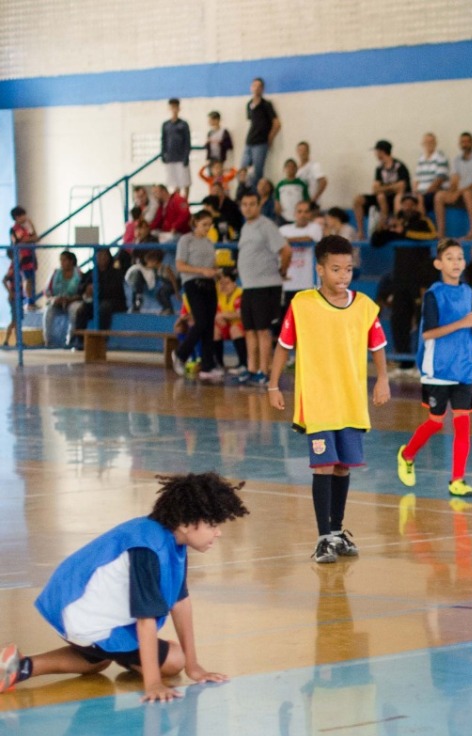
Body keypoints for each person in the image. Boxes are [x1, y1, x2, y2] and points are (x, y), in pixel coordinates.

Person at [1, 473, 248, 702]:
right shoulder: (148, 549)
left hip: (72, 607)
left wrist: (194, 666)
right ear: (185, 523)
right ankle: (128, 659)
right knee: (174, 660)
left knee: (97, 663)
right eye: (212, 525)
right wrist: (153, 683)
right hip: (83, 615)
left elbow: (180, 602)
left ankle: (21, 667)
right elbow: (145, 619)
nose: (218, 533)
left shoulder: (169, 538)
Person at [268, 235, 390, 564]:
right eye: (335, 269)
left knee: (341, 467)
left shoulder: (364, 305)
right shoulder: (303, 304)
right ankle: (323, 537)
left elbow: (377, 346)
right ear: (320, 270)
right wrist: (273, 384)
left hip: (351, 401)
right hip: (318, 401)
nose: (343, 275)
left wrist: (383, 379)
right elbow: (283, 346)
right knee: (323, 466)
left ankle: (337, 532)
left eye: (348, 269)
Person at [397, 239, 472, 497]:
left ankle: (457, 480)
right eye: (450, 257)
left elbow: (464, 323)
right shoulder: (433, 294)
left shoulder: (467, 291)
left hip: (462, 367)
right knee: (436, 422)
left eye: (460, 257)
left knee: (463, 423)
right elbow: (428, 334)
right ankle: (407, 455)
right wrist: (463, 323)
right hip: (437, 368)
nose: (456, 262)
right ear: (439, 263)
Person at [371, 194, 438, 360]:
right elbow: (376, 242)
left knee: (424, 320)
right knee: (399, 319)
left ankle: (426, 361)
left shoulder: (423, 222)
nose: (408, 207)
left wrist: (405, 232)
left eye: (411, 204)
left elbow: (432, 235)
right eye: (404, 204)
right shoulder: (396, 223)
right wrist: (381, 228)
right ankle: (404, 362)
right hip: (400, 280)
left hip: (421, 279)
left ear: (416, 206)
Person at [237, 193, 291, 385]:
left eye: (252, 204)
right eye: (244, 204)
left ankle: (265, 371)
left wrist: (282, 271)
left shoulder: (266, 226)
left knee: (263, 330)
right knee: (250, 330)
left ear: (259, 206)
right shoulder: (245, 227)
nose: (248, 208)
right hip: (249, 286)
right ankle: (252, 369)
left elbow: (286, 251)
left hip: (266, 286)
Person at [172, 211, 223, 381]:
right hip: (194, 284)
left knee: (209, 325)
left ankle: (207, 365)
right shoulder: (186, 240)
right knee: (200, 321)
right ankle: (181, 354)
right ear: (195, 223)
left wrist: (217, 273)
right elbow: (180, 265)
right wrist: (201, 271)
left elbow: (212, 265)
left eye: (210, 225)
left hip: (210, 285)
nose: (207, 228)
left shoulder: (209, 243)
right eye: (204, 225)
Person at [435, 132, 472, 239]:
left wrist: (459, 192)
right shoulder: (456, 159)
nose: (465, 144)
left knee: (467, 193)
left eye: (467, 141)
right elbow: (455, 180)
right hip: (461, 193)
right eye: (462, 142)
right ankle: (440, 233)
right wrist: (451, 192)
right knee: (439, 195)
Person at [353, 140, 410, 238]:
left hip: (397, 197)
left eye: (377, 151)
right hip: (384, 196)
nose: (375, 154)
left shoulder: (399, 166)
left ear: (381, 152)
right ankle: (361, 231)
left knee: (391, 197)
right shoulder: (379, 168)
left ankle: (394, 226)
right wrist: (391, 187)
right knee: (358, 199)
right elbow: (375, 189)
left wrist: (383, 188)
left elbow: (401, 187)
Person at [73, 248, 127, 334]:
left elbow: (115, 291)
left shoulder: (116, 273)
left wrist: (97, 290)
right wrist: (86, 289)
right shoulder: (91, 272)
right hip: (94, 302)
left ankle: (101, 338)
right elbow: (80, 288)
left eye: (104, 255)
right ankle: (80, 341)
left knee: (104, 308)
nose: (102, 258)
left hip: (113, 302)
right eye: (99, 255)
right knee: (82, 310)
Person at [241, 78, 280, 183]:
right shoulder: (249, 104)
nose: (256, 89)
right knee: (243, 170)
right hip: (250, 140)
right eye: (254, 86)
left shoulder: (266, 105)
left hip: (261, 142)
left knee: (257, 172)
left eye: (259, 86)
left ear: (262, 89)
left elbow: (276, 123)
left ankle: (257, 195)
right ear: (251, 88)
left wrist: (270, 138)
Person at [42, 251, 83, 348]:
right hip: (58, 302)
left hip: (73, 300)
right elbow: (47, 291)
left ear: (71, 261)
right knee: (49, 312)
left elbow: (82, 292)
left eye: (64, 260)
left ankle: (71, 339)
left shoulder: (79, 274)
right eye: (61, 260)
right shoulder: (56, 273)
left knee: (74, 310)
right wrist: (53, 299)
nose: (62, 262)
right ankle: (48, 340)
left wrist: (69, 299)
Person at [214, 268, 247, 373]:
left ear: (234, 283)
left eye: (227, 283)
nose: (224, 286)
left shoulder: (240, 293)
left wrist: (223, 315)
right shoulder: (220, 295)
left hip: (243, 326)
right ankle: (219, 364)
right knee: (215, 330)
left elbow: (240, 315)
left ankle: (243, 364)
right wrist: (221, 317)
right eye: (221, 283)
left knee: (235, 329)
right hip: (228, 324)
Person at [161, 99, 191, 199]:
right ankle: (177, 201)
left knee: (185, 181)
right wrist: (163, 154)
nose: (174, 109)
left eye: (176, 107)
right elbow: (163, 140)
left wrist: (186, 156)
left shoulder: (183, 124)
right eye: (172, 107)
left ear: (179, 108)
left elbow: (187, 141)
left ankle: (185, 201)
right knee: (174, 182)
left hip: (181, 157)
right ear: (169, 108)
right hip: (170, 157)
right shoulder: (166, 125)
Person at [414, 132, 451, 214]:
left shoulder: (441, 158)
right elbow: (416, 180)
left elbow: (439, 180)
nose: (429, 144)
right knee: (406, 200)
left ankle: (423, 224)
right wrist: (415, 192)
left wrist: (423, 193)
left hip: (434, 192)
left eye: (431, 142)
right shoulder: (421, 159)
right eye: (426, 142)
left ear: (435, 143)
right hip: (421, 193)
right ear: (422, 144)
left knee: (419, 200)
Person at [9, 206, 38, 308]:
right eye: (22, 215)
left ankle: (32, 301)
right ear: (17, 217)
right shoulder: (14, 229)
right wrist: (28, 240)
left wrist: (31, 225)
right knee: (27, 279)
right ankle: (29, 301)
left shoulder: (26, 228)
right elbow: (18, 242)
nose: (25, 217)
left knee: (32, 279)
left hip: (31, 256)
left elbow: (35, 237)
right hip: (22, 258)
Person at [274, 159, 309, 225]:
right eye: (288, 166)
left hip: (299, 217)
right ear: (284, 169)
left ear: (296, 169)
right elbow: (277, 201)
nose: (291, 168)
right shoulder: (280, 185)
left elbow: (307, 201)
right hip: (283, 217)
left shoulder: (302, 184)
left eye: (293, 167)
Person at [295, 141, 328, 208]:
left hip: (311, 203)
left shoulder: (314, 166)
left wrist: (314, 198)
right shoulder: (296, 169)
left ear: (308, 151)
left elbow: (323, 182)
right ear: (297, 152)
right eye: (300, 150)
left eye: (304, 150)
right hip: (300, 204)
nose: (302, 152)